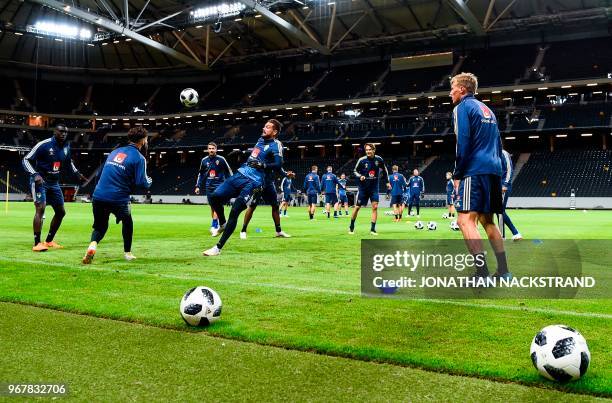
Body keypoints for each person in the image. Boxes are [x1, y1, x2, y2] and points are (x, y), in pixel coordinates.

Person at [450, 72, 509, 279]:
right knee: (488, 221)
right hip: (493, 169)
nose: (450, 93)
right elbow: (499, 145)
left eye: (453, 88)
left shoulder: (462, 108)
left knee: (465, 221)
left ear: (462, 89)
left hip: (474, 170)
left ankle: (481, 272)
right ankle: (503, 271)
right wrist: (499, 172)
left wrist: (458, 174)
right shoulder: (488, 110)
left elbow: (463, 142)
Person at [202, 119, 284, 256]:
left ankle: (217, 248)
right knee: (214, 197)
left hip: (254, 182)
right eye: (264, 126)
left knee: (235, 211)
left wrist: (263, 166)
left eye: (268, 127)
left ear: (275, 132)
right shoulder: (260, 139)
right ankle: (222, 223)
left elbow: (278, 164)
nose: (264, 128)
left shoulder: (277, 145)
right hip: (240, 174)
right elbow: (256, 155)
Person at [82, 126, 152, 264]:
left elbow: (99, 174)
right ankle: (127, 253)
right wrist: (150, 181)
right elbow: (142, 182)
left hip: (99, 195)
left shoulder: (115, 151)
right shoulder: (140, 158)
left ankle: (92, 245)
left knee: (100, 226)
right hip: (119, 197)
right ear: (143, 140)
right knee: (128, 222)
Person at [22, 124, 87, 252]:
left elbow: (69, 162)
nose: (64, 134)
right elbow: (26, 159)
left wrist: (77, 173)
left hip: (54, 182)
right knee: (40, 209)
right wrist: (35, 174)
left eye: (66, 132)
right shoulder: (43, 145)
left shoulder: (66, 146)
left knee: (61, 212)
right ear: (54, 131)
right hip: (40, 182)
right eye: (61, 131)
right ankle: (37, 243)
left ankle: (49, 241)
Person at [239, 161, 291, 239]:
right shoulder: (263, 155)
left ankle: (278, 231)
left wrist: (287, 174)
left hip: (269, 184)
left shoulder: (275, 159)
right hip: (258, 183)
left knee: (275, 206)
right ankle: (243, 230)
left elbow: (279, 169)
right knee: (252, 206)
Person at [349, 143, 390, 235]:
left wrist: (387, 181)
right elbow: (355, 171)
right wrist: (360, 176)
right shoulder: (362, 160)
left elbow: (385, 170)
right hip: (363, 188)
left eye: (370, 150)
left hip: (374, 188)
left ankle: (373, 229)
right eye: (366, 150)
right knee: (357, 207)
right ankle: (351, 226)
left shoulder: (379, 159)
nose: (368, 151)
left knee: (375, 207)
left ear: (374, 150)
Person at [194, 142, 232, 233]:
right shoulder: (204, 160)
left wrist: (231, 184)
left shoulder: (221, 159)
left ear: (216, 149)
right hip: (209, 187)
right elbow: (201, 174)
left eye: (213, 148)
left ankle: (214, 224)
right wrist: (197, 186)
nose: (211, 150)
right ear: (207, 149)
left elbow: (229, 172)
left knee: (217, 205)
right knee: (212, 207)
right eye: (209, 148)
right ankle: (219, 223)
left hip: (219, 186)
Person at [499, 149, 522, 241]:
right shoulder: (491, 153)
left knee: (499, 210)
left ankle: (513, 233)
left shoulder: (503, 153)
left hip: (503, 186)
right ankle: (508, 234)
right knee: (498, 211)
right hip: (495, 186)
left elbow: (509, 169)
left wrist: (505, 184)